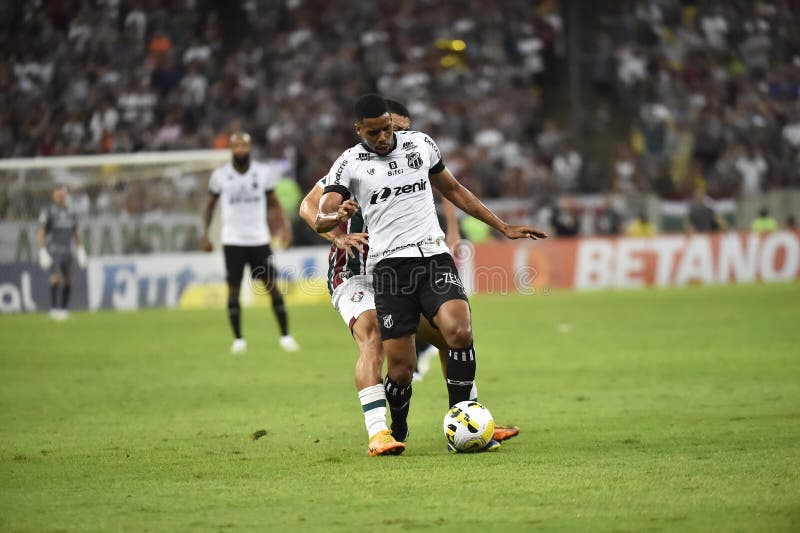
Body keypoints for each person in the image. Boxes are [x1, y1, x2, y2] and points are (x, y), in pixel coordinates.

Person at [314, 94, 547, 453]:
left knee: (459, 330)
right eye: (373, 132)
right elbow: (320, 215)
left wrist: (502, 226)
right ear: (359, 130)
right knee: (402, 369)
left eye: (387, 128)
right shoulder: (348, 164)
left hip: (432, 256)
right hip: (388, 268)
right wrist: (336, 217)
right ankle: (398, 427)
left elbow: (453, 190)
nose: (382, 137)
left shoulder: (421, 145)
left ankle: (464, 419)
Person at [201, 132, 299, 354]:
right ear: (231, 149)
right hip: (232, 239)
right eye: (236, 146)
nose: (240, 150)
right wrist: (205, 234)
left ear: (250, 148)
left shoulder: (263, 173)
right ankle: (238, 340)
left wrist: (285, 228)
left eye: (244, 146)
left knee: (271, 285)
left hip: (259, 239)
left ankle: (285, 336)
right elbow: (210, 207)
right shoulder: (220, 176)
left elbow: (275, 203)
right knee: (233, 289)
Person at [37, 185, 87, 320]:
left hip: (67, 250)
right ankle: (54, 309)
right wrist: (42, 250)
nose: (59, 196)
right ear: (53, 195)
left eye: (61, 194)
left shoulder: (72, 212)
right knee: (55, 277)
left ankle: (64, 310)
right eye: (56, 194)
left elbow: (75, 232)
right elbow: (41, 231)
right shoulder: (48, 211)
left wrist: (81, 249)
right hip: (54, 249)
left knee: (67, 279)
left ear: (65, 195)